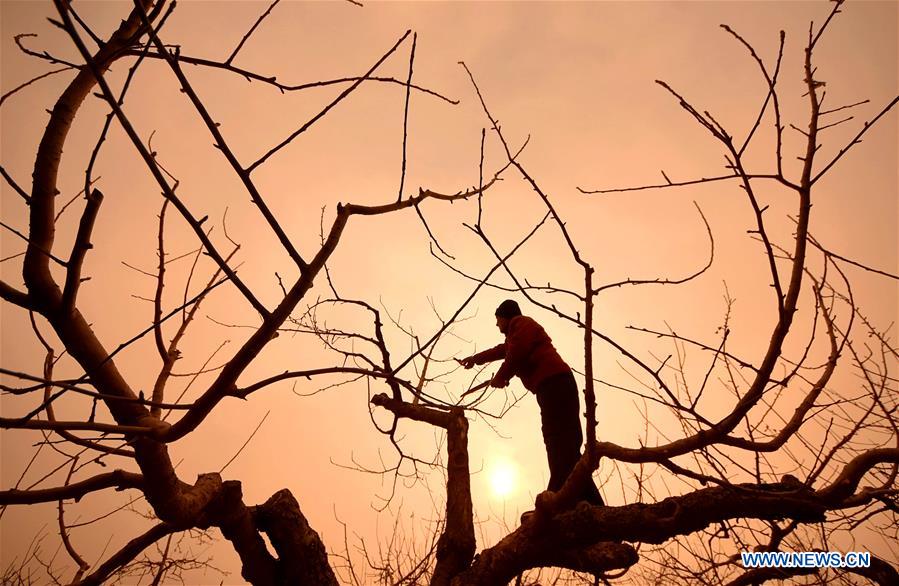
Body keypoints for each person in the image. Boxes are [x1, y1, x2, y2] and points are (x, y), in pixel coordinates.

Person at [459, 299, 604, 507]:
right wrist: (475, 359)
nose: (496, 324)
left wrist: (502, 376)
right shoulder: (514, 336)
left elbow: (517, 351)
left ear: (505, 316)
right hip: (557, 385)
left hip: (554, 385)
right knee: (568, 448)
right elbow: (502, 350)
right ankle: (592, 504)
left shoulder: (521, 324)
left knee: (556, 439)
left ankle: (557, 496)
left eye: (497, 319)